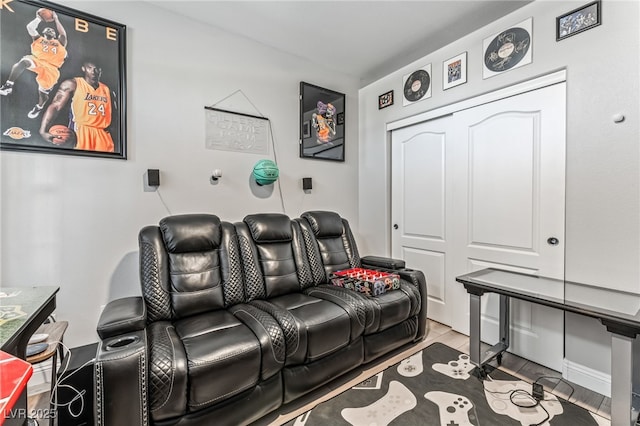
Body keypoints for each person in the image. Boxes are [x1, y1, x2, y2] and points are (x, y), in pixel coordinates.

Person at [0, 10, 68, 119]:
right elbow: (30, 28)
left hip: (52, 69)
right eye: (48, 29)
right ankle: (9, 85)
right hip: (37, 60)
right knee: (23, 62)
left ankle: (39, 106)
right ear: (44, 33)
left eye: (52, 30)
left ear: (54, 35)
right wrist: (39, 19)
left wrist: (56, 19)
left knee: (43, 93)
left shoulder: (60, 43)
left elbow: (63, 34)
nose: (50, 30)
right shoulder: (38, 39)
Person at [39, 61, 115, 152]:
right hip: (80, 131)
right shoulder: (73, 84)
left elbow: (115, 118)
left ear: (100, 70)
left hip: (103, 135)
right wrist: (43, 130)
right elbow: (55, 106)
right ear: (83, 69)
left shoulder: (108, 91)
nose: (93, 72)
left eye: (96, 69)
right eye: (89, 68)